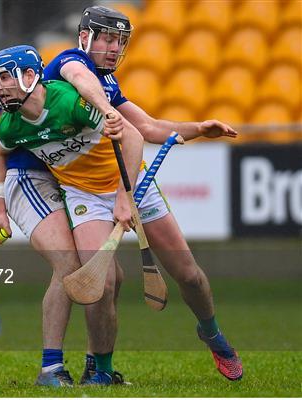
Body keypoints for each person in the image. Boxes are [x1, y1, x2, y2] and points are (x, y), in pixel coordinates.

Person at [44, 5, 243, 382]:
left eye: (120, 41)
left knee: (189, 275)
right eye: (106, 38)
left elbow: (149, 127)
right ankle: (101, 372)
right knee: (100, 283)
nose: (114, 48)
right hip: (84, 192)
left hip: (134, 185)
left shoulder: (109, 83)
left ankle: (212, 332)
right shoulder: (69, 63)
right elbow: (78, 77)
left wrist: (199, 128)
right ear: (85, 37)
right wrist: (104, 107)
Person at [0, 44, 143, 387]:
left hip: (65, 182)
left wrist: (122, 196)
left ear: (30, 76)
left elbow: (131, 132)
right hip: (27, 181)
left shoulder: (70, 103)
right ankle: (51, 369)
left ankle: (97, 366)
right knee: (70, 266)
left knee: (109, 277)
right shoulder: (10, 124)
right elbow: (0, 155)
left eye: (4, 78)